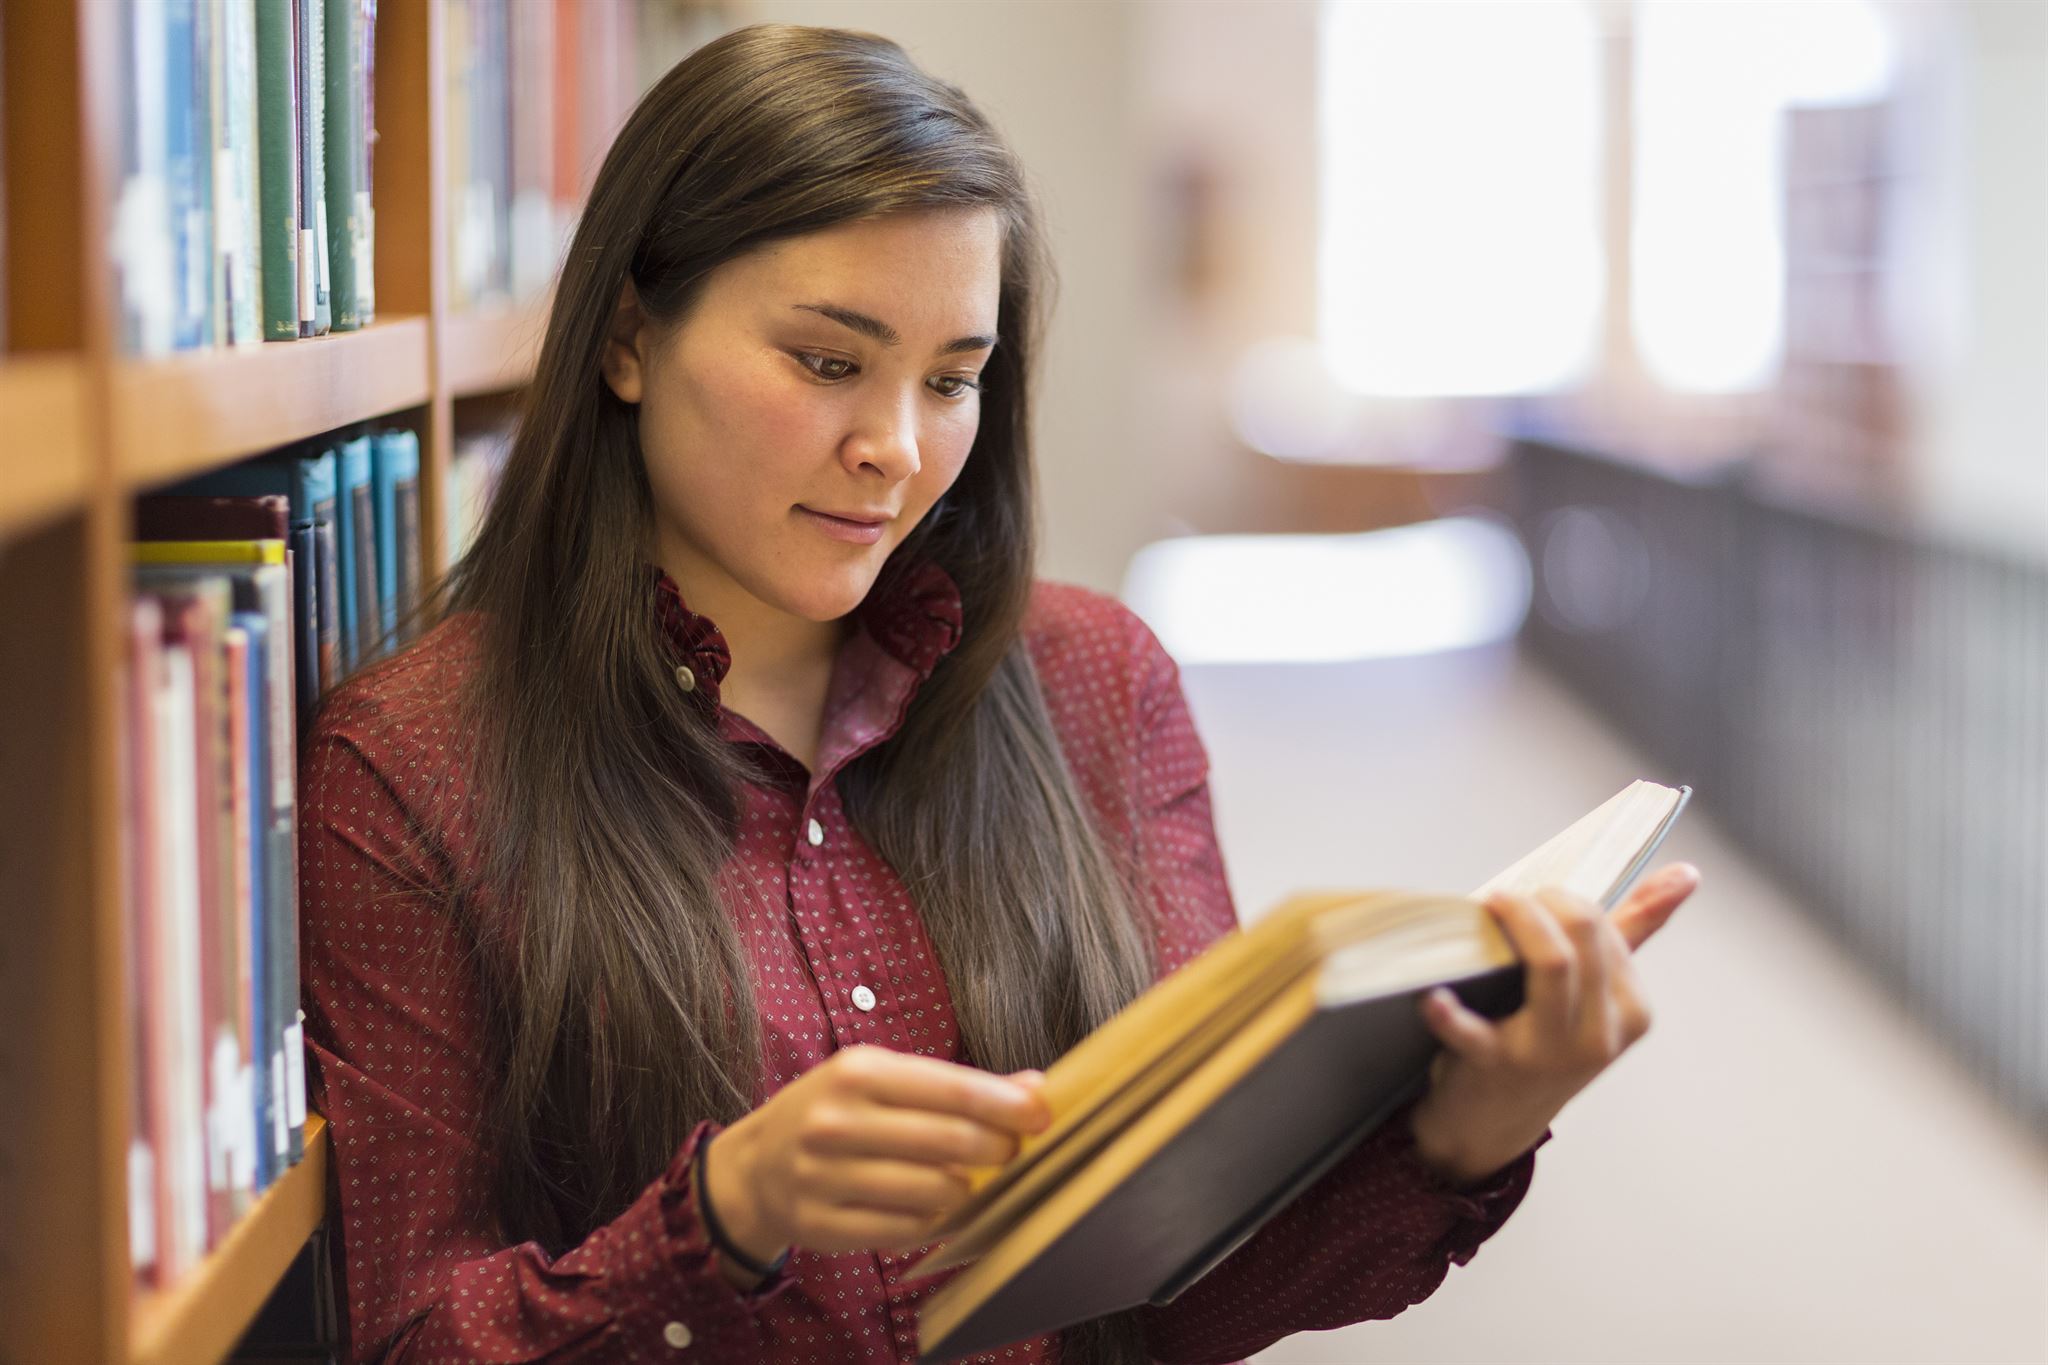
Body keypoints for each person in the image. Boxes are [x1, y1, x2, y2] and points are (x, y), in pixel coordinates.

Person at [298, 22, 1698, 1365]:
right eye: (829, 362)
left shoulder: (1096, 680)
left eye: (952, 380)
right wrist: (721, 1221)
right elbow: (413, 1336)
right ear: (626, 338)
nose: (896, 449)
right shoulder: (418, 761)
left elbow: (1183, 1302)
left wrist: (1466, 1128)